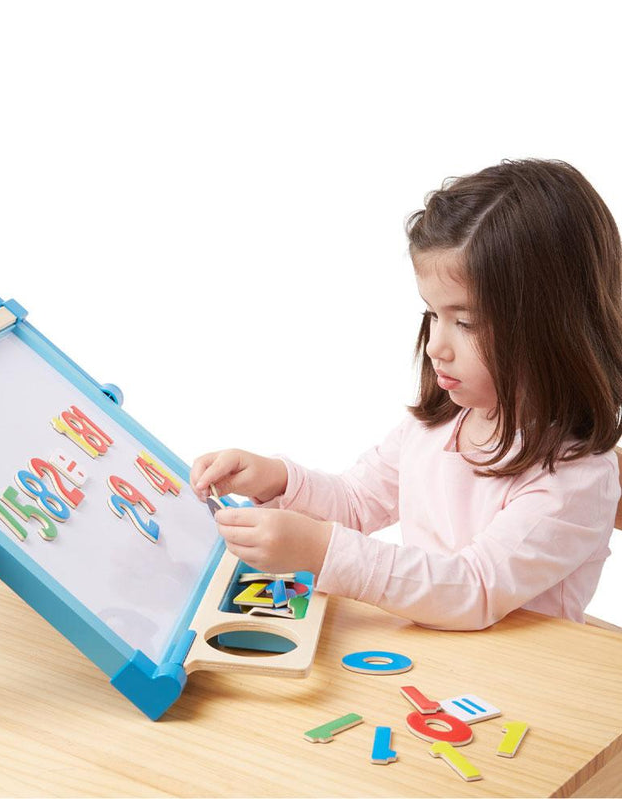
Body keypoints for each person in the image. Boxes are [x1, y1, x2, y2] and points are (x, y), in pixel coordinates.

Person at [190, 159, 622, 630]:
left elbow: (474, 588)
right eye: (432, 315)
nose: (436, 346)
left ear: (553, 330)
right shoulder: (437, 425)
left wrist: (322, 551)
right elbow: (355, 502)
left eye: (466, 322)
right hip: (435, 653)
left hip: (521, 668)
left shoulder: (576, 477)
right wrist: (275, 481)